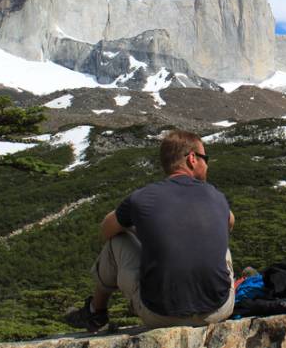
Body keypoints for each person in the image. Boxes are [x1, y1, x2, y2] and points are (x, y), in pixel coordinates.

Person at [64, 130, 235, 331]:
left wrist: (143, 231)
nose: (207, 164)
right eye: (205, 158)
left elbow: (106, 231)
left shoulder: (141, 198)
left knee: (116, 243)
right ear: (192, 159)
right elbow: (230, 222)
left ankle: (95, 312)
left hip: (159, 315)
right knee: (220, 242)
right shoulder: (217, 197)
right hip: (218, 310)